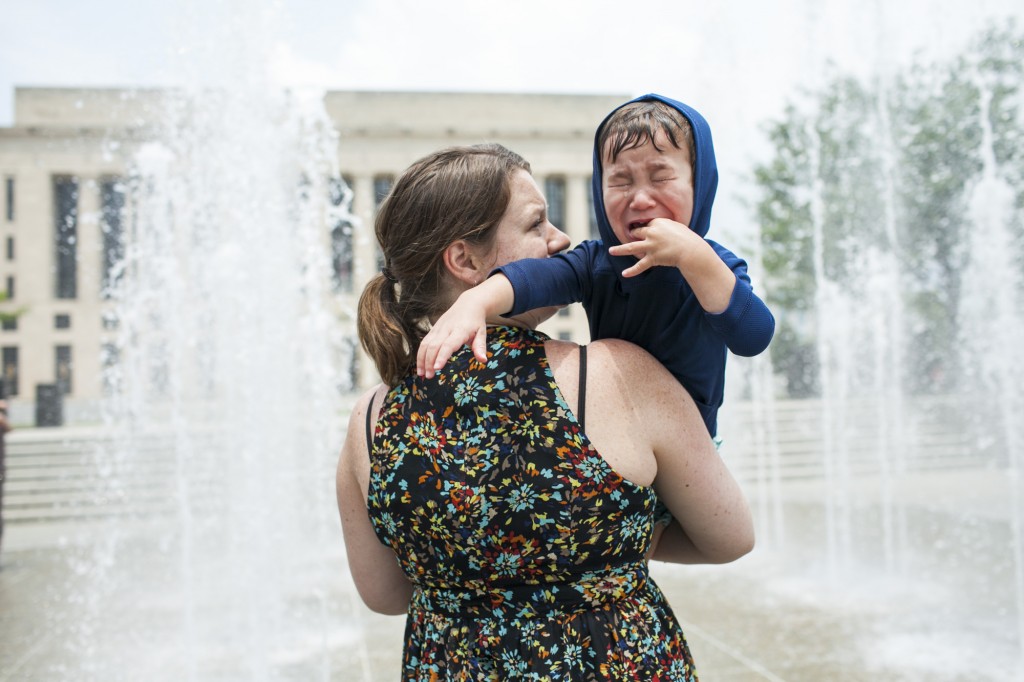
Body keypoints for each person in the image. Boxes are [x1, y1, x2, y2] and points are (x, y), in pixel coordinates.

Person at [337, 143, 755, 680]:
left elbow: (384, 595)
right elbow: (730, 536)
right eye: (537, 224)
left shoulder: (371, 419)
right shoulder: (618, 375)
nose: (563, 241)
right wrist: (614, 545)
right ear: (465, 261)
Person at [417, 94, 775, 439]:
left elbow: (753, 337)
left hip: (692, 450)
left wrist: (694, 258)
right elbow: (535, 278)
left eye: (661, 177)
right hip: (620, 448)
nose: (640, 198)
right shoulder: (597, 262)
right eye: (620, 181)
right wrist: (476, 301)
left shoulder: (718, 264)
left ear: (701, 184)